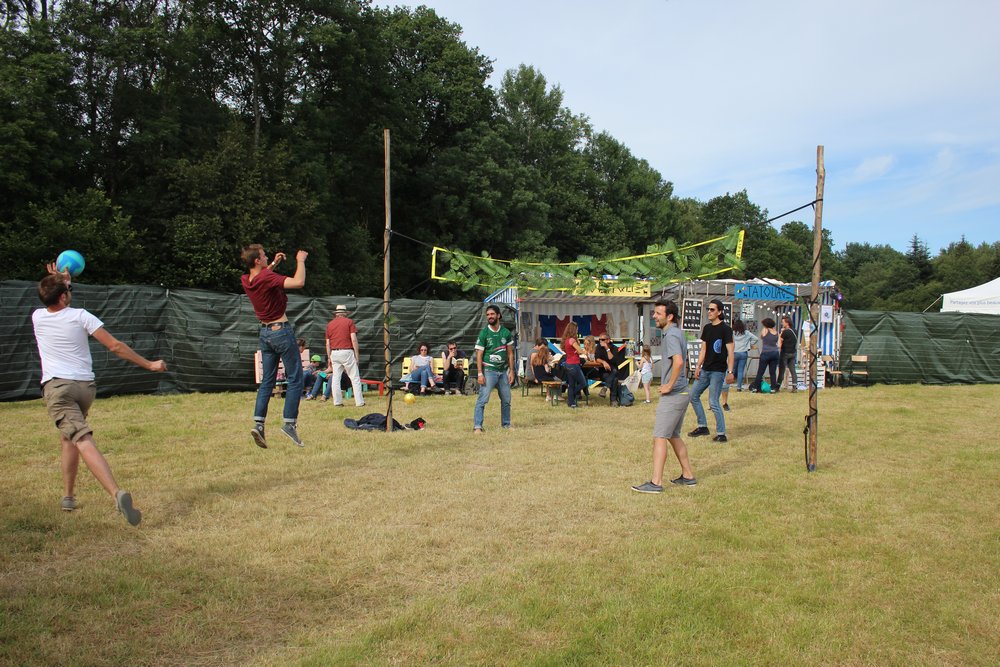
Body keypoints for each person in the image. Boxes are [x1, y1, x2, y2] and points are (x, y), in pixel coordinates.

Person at [32, 265, 168, 525]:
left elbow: (56, 299)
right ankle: (69, 496)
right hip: (85, 389)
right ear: (63, 296)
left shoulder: (37, 316)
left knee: (81, 438)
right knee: (68, 437)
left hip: (59, 389)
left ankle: (116, 494)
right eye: (68, 290)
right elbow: (115, 346)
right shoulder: (82, 316)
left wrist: (62, 281)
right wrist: (150, 364)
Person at [241, 245, 307, 448]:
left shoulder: (247, 280)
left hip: (265, 334)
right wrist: (301, 261)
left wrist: (272, 264)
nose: (267, 256)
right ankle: (289, 424)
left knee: (267, 382)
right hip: (281, 331)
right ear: (257, 261)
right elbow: (298, 282)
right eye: (264, 255)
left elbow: (261, 277)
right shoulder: (267, 278)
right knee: (295, 377)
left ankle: (259, 424)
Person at [632, 299, 696, 492]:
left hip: (675, 394)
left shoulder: (672, 335)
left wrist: (668, 384)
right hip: (682, 391)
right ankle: (688, 476)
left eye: (658, 314)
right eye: (654, 313)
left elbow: (678, 362)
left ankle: (656, 483)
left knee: (660, 436)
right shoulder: (675, 333)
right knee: (673, 435)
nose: (654, 316)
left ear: (669, 316)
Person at [688, 299, 735, 443]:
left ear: (720, 312)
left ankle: (721, 433)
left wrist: (730, 371)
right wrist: (697, 366)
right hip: (705, 370)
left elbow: (731, 352)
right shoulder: (707, 328)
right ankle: (702, 426)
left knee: (713, 402)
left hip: (718, 371)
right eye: (708, 309)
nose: (709, 311)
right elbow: (703, 349)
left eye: (712, 309)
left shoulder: (726, 329)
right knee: (693, 395)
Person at [473, 305, 515, 432]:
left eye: (492, 314)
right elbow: (479, 354)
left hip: (503, 372)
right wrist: (480, 373)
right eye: (488, 315)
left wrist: (511, 371)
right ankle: (477, 427)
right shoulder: (484, 333)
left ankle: (506, 425)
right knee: (483, 399)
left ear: (498, 315)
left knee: (506, 400)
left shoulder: (506, 333)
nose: (489, 317)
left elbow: (510, 353)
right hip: (489, 371)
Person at [325, 304, 365, 407]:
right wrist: (356, 355)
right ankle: (359, 402)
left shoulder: (329, 325)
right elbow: (354, 339)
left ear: (336, 314)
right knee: (354, 378)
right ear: (345, 313)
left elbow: (328, 343)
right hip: (347, 351)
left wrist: (329, 356)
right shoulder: (349, 322)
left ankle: (337, 402)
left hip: (334, 352)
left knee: (335, 378)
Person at [719, 319, 759, 410]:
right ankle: (739, 387)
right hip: (743, 353)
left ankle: (726, 384)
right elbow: (756, 339)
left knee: (730, 370)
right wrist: (749, 345)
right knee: (741, 370)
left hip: (734, 353)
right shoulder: (746, 333)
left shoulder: (732, 333)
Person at [561, 321, 589, 409]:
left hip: (568, 364)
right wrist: (582, 350)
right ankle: (571, 397)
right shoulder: (572, 340)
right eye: (576, 329)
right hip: (574, 364)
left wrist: (577, 350)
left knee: (571, 384)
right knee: (583, 383)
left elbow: (572, 351)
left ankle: (571, 403)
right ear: (574, 330)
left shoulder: (566, 340)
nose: (577, 331)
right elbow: (580, 351)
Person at [750, 318, 780, 393]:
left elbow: (761, 337)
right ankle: (773, 388)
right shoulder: (776, 332)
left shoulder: (765, 330)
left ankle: (755, 388)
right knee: (772, 372)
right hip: (775, 353)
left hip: (766, 353)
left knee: (760, 371)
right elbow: (778, 344)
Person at [595, 334, 624, 407]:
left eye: (603, 339)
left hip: (613, 370)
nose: (601, 341)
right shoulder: (598, 347)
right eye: (600, 339)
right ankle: (613, 400)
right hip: (603, 372)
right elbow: (597, 358)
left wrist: (607, 348)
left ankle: (605, 388)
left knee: (614, 374)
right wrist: (604, 362)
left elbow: (613, 360)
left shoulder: (614, 348)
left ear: (608, 340)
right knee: (614, 378)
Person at [776, 315, 799, 393]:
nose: (782, 324)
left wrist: (780, 333)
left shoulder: (785, 332)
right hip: (793, 352)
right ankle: (794, 387)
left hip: (785, 353)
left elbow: (779, 344)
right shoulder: (795, 331)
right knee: (793, 370)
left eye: (783, 322)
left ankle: (777, 386)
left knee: (782, 370)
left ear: (787, 323)